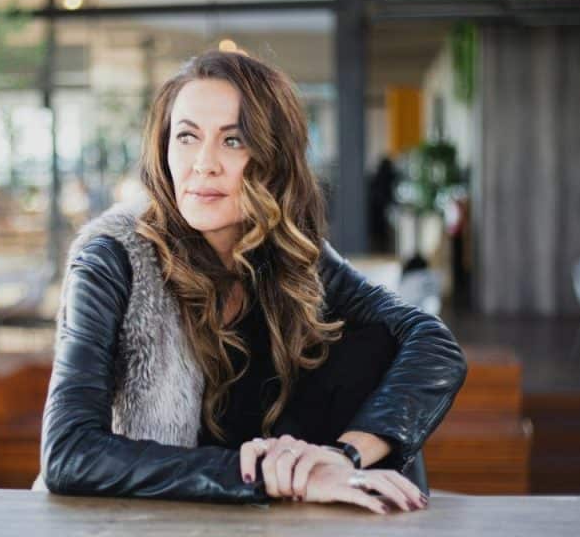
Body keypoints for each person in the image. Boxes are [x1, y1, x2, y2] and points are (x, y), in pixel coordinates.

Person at [37, 50, 467, 514]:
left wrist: (345, 457)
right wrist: (258, 477)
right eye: (186, 137)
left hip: (264, 511)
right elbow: (68, 454)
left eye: (233, 140)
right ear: (163, 148)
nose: (204, 163)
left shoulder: (292, 255)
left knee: (376, 342)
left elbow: (431, 342)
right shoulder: (111, 258)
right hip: (156, 513)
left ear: (272, 157)